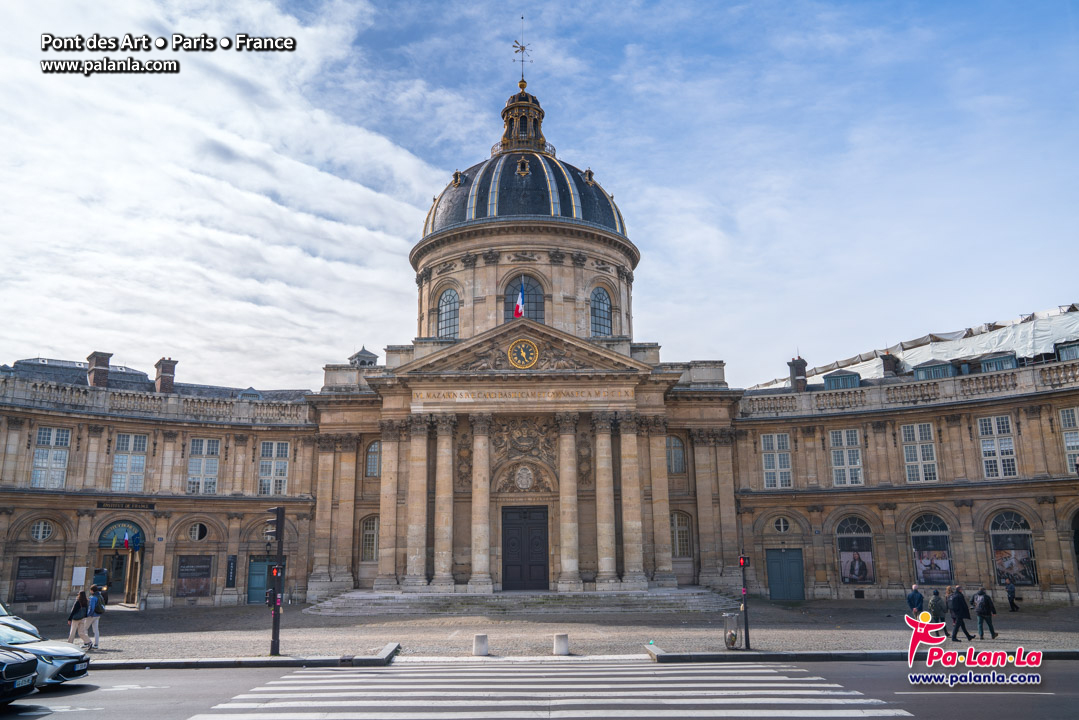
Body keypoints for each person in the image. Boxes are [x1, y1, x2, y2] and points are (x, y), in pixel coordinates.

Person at [87, 584, 105, 649]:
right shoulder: (100, 596)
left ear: (92, 590)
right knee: (96, 630)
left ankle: (87, 642)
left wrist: (87, 615)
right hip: (98, 615)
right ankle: (96, 644)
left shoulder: (93, 598)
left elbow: (91, 608)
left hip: (92, 615)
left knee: (84, 629)